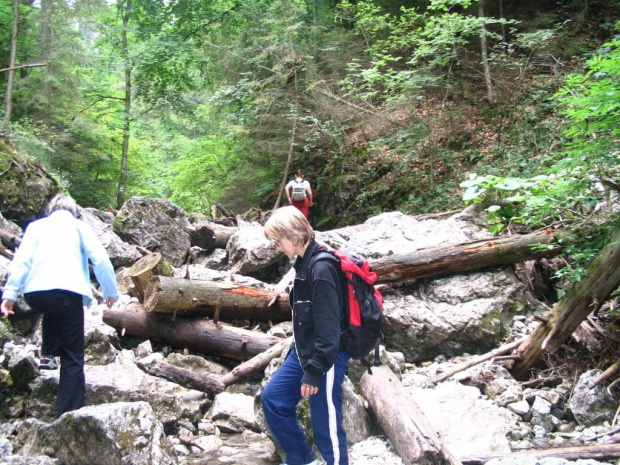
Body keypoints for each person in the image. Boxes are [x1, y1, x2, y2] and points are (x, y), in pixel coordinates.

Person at [0, 194, 119, 418]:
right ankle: (69, 415)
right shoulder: (79, 227)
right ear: (73, 212)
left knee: (53, 309)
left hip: (36, 295)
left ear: (51, 210)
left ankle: (48, 353)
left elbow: (21, 260)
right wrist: (111, 293)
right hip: (67, 293)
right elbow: (101, 260)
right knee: (73, 356)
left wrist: (10, 294)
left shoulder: (35, 227)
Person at [262, 206, 349, 465]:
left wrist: (315, 370)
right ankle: (302, 459)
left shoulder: (321, 268)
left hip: (328, 356)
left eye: (279, 241)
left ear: (294, 234)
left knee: (325, 423)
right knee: (274, 399)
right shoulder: (302, 262)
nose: (278, 247)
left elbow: (329, 327)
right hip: (304, 351)